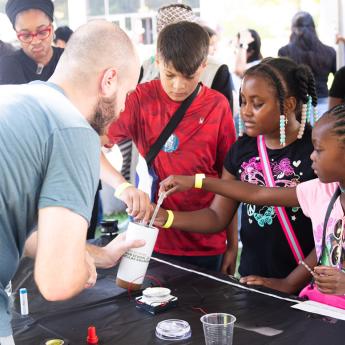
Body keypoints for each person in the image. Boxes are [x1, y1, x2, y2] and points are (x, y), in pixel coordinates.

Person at [0, 20, 145, 340]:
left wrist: (99, 254)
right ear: (109, 80)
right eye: (127, 94)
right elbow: (58, 281)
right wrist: (80, 269)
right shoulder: (74, 130)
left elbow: (14, 234)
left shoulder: (13, 98)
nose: (122, 108)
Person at [156, 57, 318, 294]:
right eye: (243, 101)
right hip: (253, 278)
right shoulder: (242, 150)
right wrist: (166, 218)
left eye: (257, 103)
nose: (245, 112)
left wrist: (291, 282)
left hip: (309, 284)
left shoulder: (316, 152)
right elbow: (216, 216)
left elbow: (331, 231)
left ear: (289, 104)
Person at [160, 103, 345, 306]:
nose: (312, 156)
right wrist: (197, 181)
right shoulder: (321, 191)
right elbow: (258, 193)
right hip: (323, 309)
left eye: (318, 150)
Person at [106, 21, 236, 272]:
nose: (178, 86)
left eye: (189, 77)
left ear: (203, 67)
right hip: (153, 237)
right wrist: (122, 187)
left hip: (207, 241)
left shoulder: (217, 106)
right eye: (169, 75)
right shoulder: (139, 99)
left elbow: (228, 181)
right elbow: (93, 143)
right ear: (157, 62)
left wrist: (231, 244)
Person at [278, 11, 336, 120]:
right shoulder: (329, 52)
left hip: (297, 108)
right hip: (324, 105)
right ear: (313, 28)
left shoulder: (284, 52)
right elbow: (340, 79)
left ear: (293, 29)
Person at [0, 0, 64, 84]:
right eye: (26, 35)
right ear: (17, 35)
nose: (35, 41)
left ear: (52, 29)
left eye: (42, 32)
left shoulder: (67, 59)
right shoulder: (8, 65)